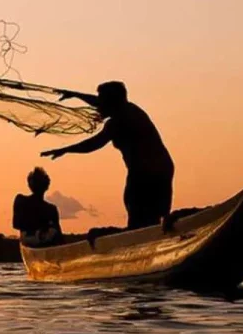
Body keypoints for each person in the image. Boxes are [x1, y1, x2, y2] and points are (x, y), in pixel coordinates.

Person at [40, 81, 174, 229]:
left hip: (145, 174)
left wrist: (64, 150)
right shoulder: (131, 109)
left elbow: (94, 143)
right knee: (156, 216)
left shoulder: (118, 122)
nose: (98, 105)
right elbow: (97, 102)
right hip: (163, 168)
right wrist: (75, 95)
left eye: (102, 100)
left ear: (111, 102)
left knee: (138, 214)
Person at [13, 167, 63, 247]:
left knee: (53, 232)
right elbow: (16, 224)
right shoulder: (21, 201)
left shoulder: (51, 209)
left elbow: (59, 237)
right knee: (51, 232)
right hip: (30, 239)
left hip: (43, 241)